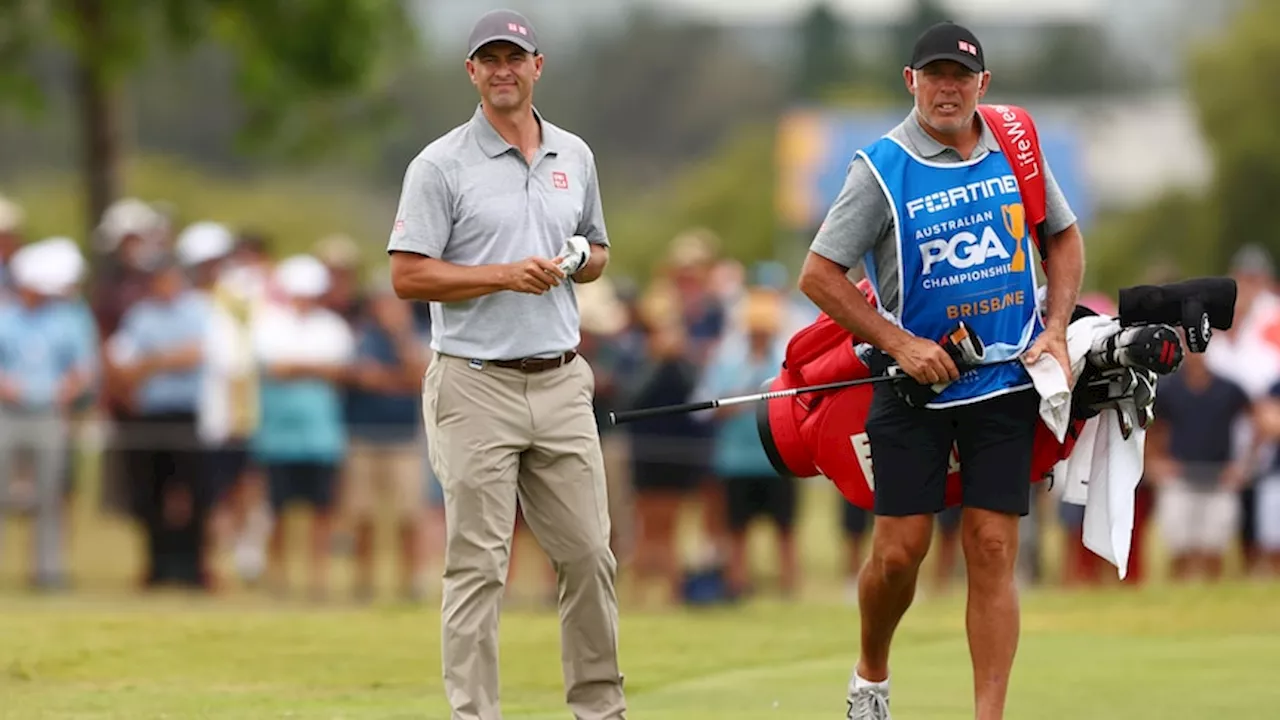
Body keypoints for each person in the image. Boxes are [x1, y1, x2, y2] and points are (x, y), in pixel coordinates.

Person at [795, 22, 1085, 720]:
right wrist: (899, 344)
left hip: (1005, 381)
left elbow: (1065, 239)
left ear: (982, 85)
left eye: (960, 75)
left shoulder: (1016, 148)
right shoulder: (880, 167)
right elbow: (819, 274)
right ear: (910, 81)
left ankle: (989, 714)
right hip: (913, 386)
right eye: (934, 74)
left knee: (991, 546)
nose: (947, 87)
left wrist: (1054, 331)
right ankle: (871, 676)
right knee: (901, 554)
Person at [385, 9, 625, 720]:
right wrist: (498, 275)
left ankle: (599, 709)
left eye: (513, 58)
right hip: (473, 382)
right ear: (471, 72)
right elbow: (407, 276)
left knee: (589, 556)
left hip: (559, 377)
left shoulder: (574, 156)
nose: (502, 70)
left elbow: (600, 250)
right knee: (478, 566)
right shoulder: (439, 164)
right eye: (488, 59)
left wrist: (581, 261)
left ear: (536, 66)